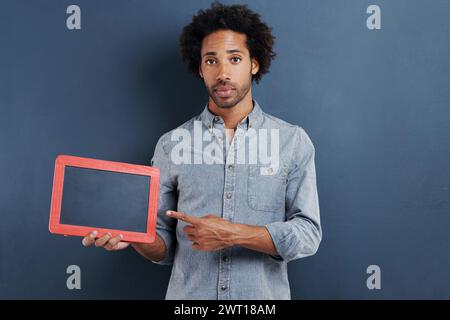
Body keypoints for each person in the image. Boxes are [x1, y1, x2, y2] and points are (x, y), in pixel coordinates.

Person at [82, 1, 321, 300]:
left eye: (234, 59)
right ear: (200, 68)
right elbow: (163, 247)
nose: (222, 72)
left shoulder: (292, 141)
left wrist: (233, 233)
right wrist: (132, 236)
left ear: (254, 63)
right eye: (211, 61)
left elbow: (308, 234)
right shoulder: (171, 145)